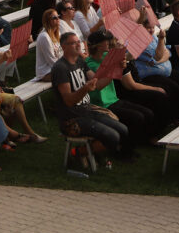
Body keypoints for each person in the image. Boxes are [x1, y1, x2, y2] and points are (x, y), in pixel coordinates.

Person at [52, 31, 133, 162]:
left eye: (78, 42)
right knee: (113, 137)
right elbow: (68, 101)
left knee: (122, 129)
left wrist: (117, 69)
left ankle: (111, 154)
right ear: (64, 46)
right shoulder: (60, 68)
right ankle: (77, 152)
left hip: (87, 110)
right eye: (73, 43)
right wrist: (84, 89)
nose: (78, 45)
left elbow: (98, 84)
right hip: (71, 118)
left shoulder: (80, 62)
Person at [85, 29, 155, 145]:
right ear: (97, 46)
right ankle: (129, 147)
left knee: (147, 113)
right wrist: (117, 65)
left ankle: (144, 140)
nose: (108, 43)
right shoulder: (89, 64)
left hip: (114, 99)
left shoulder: (107, 55)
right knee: (137, 117)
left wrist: (123, 61)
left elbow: (122, 59)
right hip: (102, 104)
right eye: (105, 41)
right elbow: (102, 77)